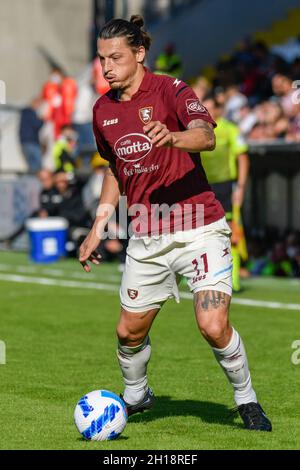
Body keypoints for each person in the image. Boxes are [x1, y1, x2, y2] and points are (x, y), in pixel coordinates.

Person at [78, 15, 272, 432]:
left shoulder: (171, 89)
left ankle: (247, 400)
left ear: (139, 54)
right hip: (146, 232)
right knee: (129, 332)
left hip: (199, 226)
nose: (107, 67)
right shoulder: (102, 110)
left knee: (212, 324)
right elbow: (114, 168)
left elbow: (206, 135)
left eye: (115, 58)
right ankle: (136, 395)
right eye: (101, 59)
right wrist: (99, 225)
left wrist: (173, 136)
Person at [201, 96, 250, 292]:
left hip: (225, 186)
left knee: (231, 232)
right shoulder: (197, 131)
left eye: (211, 108)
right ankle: (200, 275)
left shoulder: (230, 129)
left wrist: (240, 186)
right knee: (200, 232)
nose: (207, 112)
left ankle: (234, 279)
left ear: (220, 109)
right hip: (203, 186)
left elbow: (243, 157)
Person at [19, 98, 44, 173]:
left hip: (25, 142)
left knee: (32, 165)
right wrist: (42, 120)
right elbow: (37, 124)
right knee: (37, 165)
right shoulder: (31, 113)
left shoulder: (25, 113)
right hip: (32, 141)